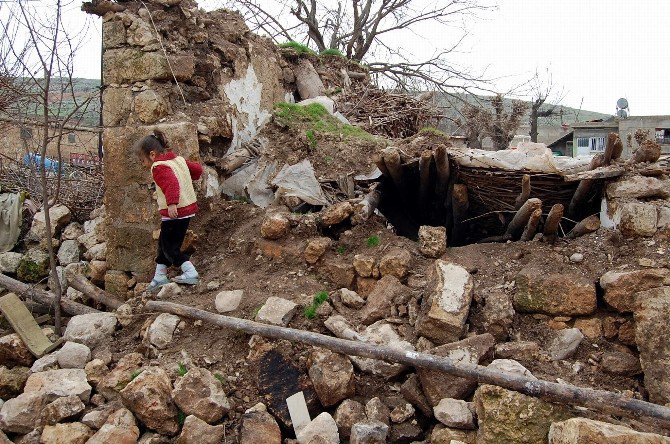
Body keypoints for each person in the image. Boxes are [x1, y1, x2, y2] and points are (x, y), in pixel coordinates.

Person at [133, 129, 203, 291]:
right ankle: (160, 276)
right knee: (163, 244)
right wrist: (185, 176)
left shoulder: (158, 166)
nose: (143, 164)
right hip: (187, 209)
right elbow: (197, 170)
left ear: (152, 154)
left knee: (170, 248)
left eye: (142, 160)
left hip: (174, 212)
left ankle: (190, 271)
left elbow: (171, 183)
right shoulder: (177, 160)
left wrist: (172, 203)